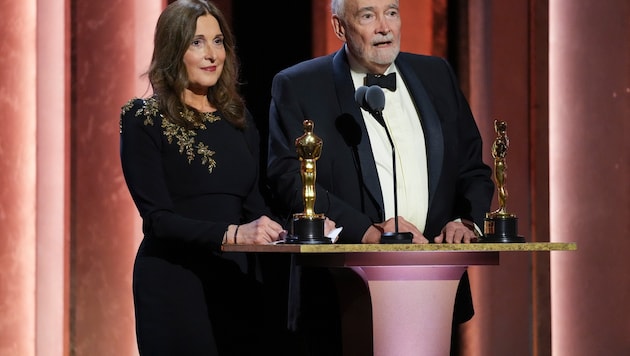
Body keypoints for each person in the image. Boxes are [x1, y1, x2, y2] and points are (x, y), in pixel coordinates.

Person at [266, 0, 494, 354]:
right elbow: (289, 179)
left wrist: (466, 220)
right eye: (368, 16)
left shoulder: (437, 75)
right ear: (340, 27)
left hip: (431, 287)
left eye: (391, 12)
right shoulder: (299, 86)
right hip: (339, 297)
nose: (385, 27)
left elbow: (472, 168)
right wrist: (368, 232)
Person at [119, 1, 292, 354]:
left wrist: (302, 229)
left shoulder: (237, 119)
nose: (212, 54)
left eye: (218, 41)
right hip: (174, 283)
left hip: (236, 282)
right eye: (197, 42)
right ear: (173, 48)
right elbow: (158, 220)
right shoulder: (143, 118)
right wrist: (232, 234)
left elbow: (255, 206)